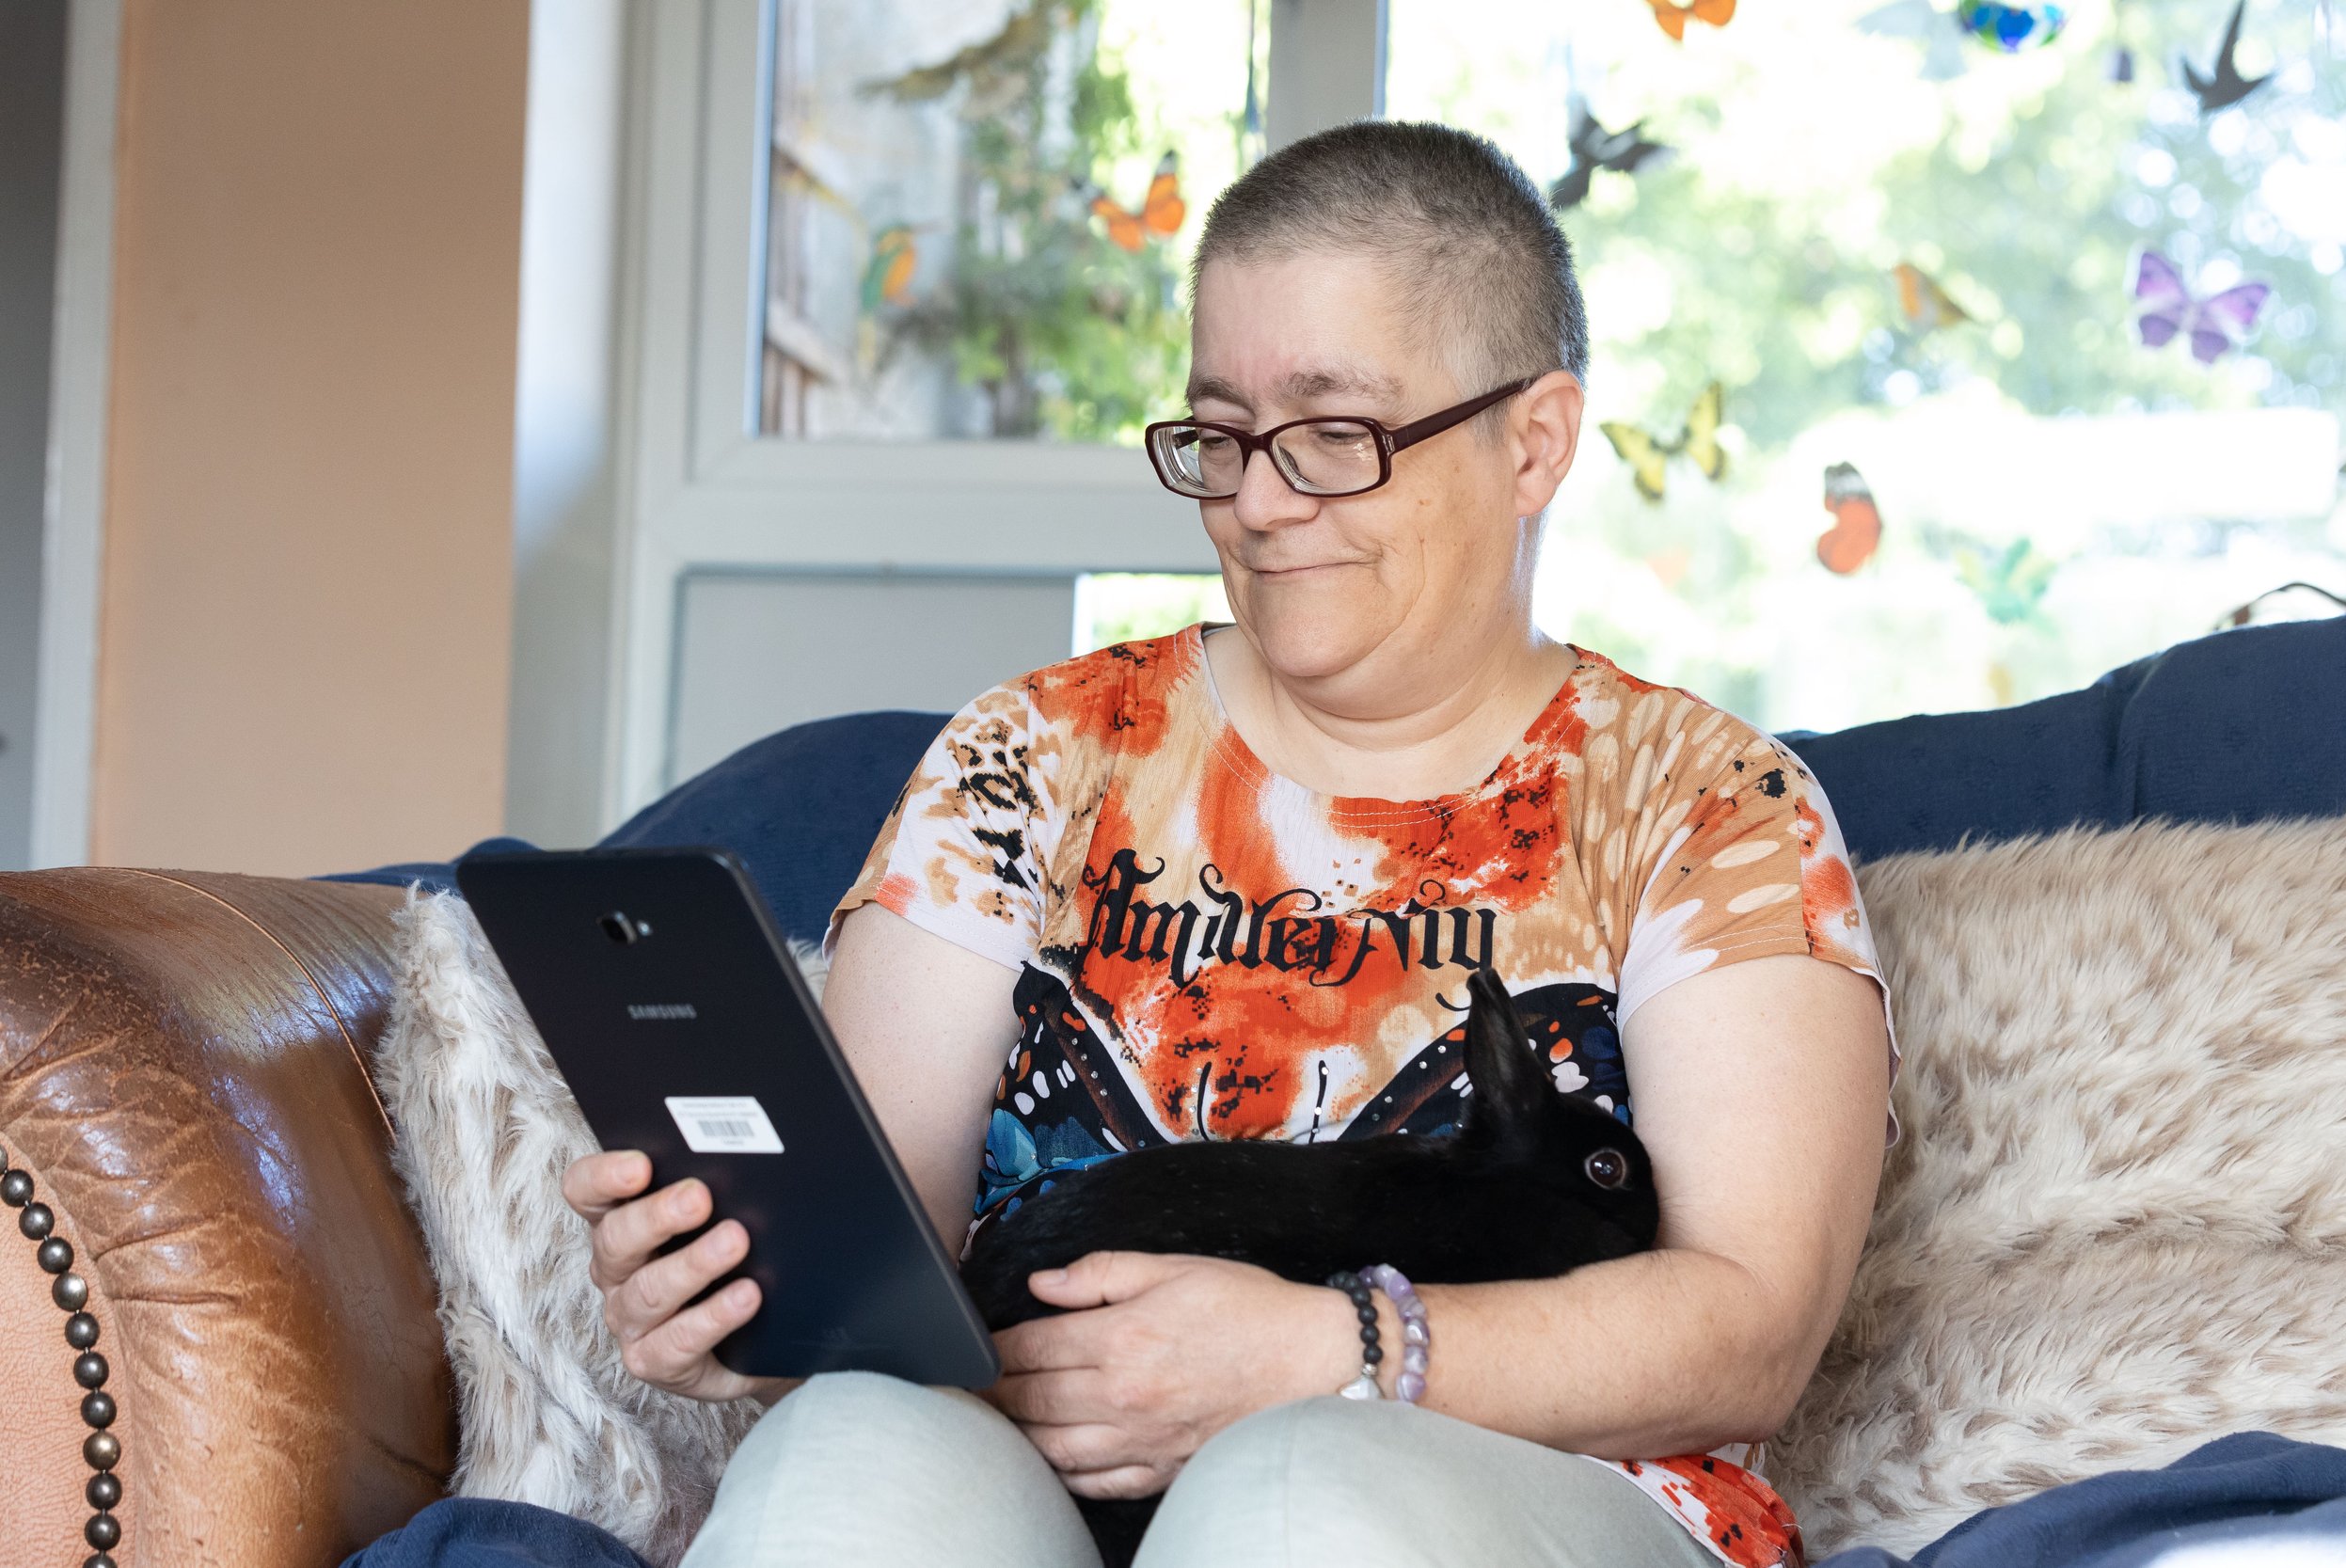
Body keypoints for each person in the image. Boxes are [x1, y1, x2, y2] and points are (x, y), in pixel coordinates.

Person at [563, 119, 1894, 1568]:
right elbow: (881, 1259)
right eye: (1220, 434)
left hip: (1530, 1494)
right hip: (1043, 1482)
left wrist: (1336, 1350)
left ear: (1535, 442)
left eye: (1334, 434)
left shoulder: (1706, 802)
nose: (1257, 503)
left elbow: (1748, 1330)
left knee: (1295, 1493)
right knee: (842, 1458)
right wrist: (748, 1302)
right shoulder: (1033, 758)